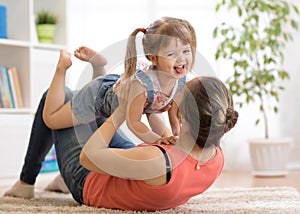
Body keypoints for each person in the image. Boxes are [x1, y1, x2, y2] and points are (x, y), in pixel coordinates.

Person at [4, 48, 238, 211]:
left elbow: (88, 158)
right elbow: (165, 143)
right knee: (90, 111)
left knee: (59, 97)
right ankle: (98, 73)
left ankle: (26, 182)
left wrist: (120, 112)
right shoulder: (215, 158)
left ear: (184, 117)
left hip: (86, 178)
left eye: (180, 96)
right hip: (136, 167)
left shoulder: (158, 162)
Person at [42, 16, 197, 146]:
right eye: (171, 54)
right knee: (51, 120)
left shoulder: (181, 79)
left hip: (113, 88)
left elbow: (157, 111)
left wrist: (175, 136)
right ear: (153, 58)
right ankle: (62, 67)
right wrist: (159, 141)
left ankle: (98, 65)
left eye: (186, 51)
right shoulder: (142, 87)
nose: (181, 59)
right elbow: (134, 123)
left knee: (105, 91)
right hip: (97, 99)